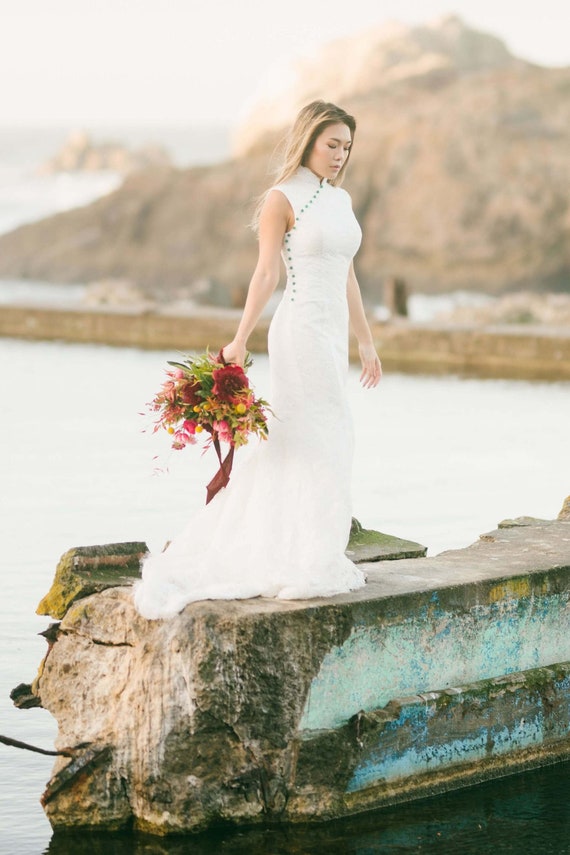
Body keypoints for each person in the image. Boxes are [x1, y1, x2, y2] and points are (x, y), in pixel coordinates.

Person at [134, 100, 382, 620]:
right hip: (299, 332)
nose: (340, 155)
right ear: (309, 139)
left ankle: (311, 545)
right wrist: (240, 338)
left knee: (324, 432)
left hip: (333, 332)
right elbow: (266, 274)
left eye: (347, 147)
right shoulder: (281, 198)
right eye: (332, 144)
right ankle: (296, 553)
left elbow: (348, 274)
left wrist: (366, 340)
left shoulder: (342, 200)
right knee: (318, 431)